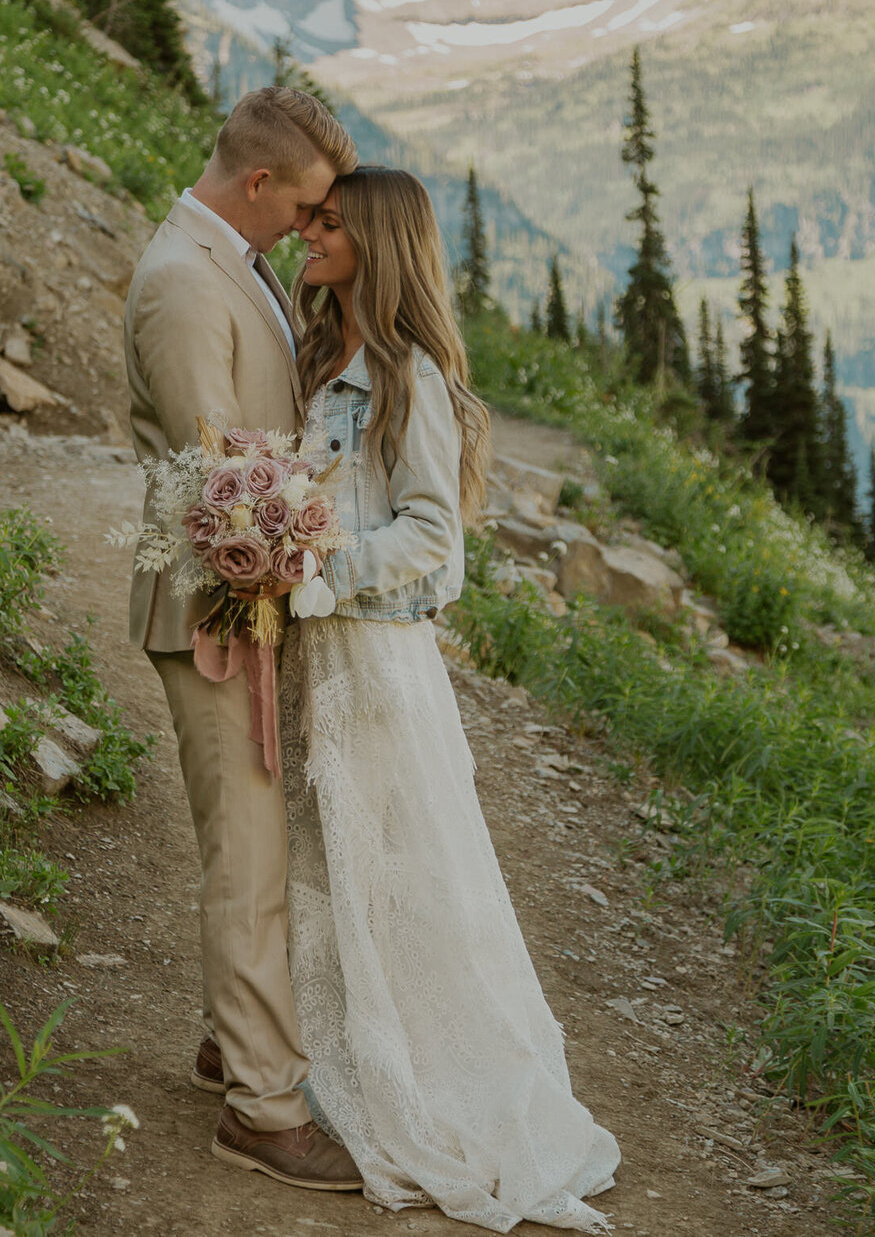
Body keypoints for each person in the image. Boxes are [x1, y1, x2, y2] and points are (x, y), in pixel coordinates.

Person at [280, 165, 621, 1231]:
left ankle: (423, 1083)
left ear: (376, 245)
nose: (310, 232)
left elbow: (434, 535)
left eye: (331, 225)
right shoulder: (317, 347)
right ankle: (320, 1054)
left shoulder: (407, 374)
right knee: (320, 863)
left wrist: (315, 569)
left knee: (400, 873)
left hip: (375, 660)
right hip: (315, 650)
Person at [123, 86, 363, 1191]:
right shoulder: (181, 282)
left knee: (258, 839)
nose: (313, 229)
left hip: (251, 600)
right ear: (257, 183)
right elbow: (220, 479)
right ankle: (264, 1109)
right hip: (215, 605)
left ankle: (236, 1037)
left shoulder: (237, 260)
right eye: (306, 206)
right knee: (249, 853)